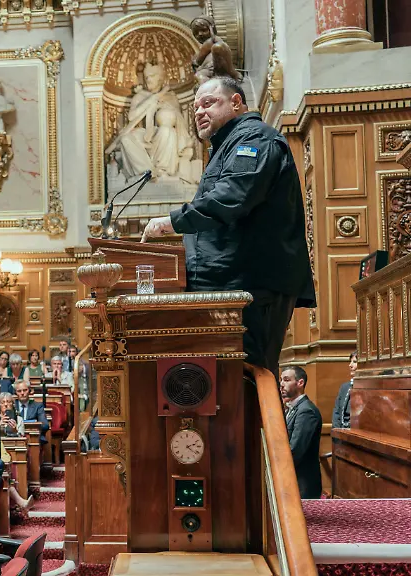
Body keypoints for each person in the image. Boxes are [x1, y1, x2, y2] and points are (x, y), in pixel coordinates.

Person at [142, 76, 315, 378]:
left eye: (209, 103)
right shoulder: (228, 146)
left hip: (249, 287)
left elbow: (232, 197)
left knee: (251, 377)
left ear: (236, 103)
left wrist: (170, 222)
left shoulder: (255, 140)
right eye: (195, 107)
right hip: (231, 286)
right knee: (229, 384)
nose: (198, 112)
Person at [280, 366, 322, 499]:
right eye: (281, 380)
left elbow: (295, 450)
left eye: (286, 380)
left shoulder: (306, 411)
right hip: (294, 481)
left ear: (300, 383)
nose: (281, 384)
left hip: (302, 485)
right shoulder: (293, 408)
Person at [14, 380, 50, 444]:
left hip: (33, 437)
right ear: (15, 393)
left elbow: (45, 425)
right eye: (19, 391)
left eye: (25, 390)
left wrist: (34, 426)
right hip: (16, 437)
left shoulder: (38, 406)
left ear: (29, 391)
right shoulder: (12, 406)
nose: (22, 393)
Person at [332, 352, 358, 430]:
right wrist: (337, 432)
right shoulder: (344, 387)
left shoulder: (368, 388)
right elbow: (336, 412)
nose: (350, 365)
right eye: (350, 361)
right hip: (341, 432)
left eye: (355, 362)